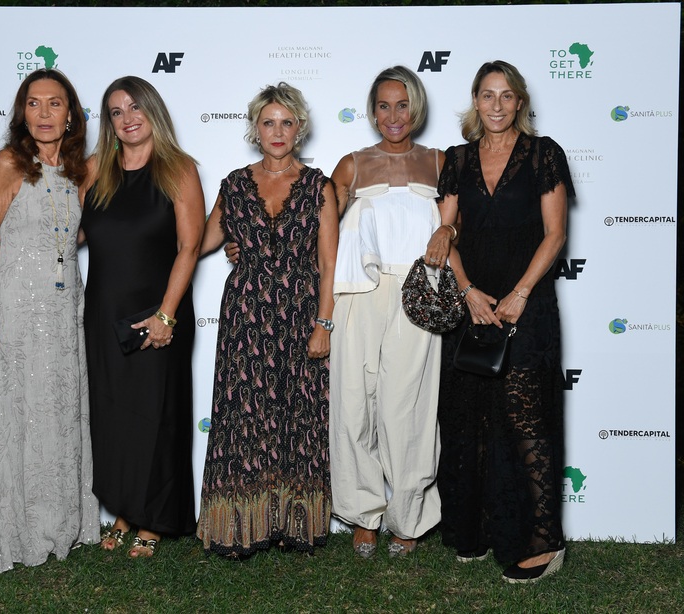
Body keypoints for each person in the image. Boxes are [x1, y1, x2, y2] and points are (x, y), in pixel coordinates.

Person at [435, 60, 573, 583]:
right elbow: (446, 232)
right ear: (475, 100)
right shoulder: (457, 159)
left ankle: (543, 541)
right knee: (470, 417)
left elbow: (555, 235)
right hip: (473, 302)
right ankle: (479, 530)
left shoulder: (543, 154)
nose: (497, 105)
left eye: (506, 95)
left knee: (524, 417)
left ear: (520, 102)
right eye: (487, 95)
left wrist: (520, 293)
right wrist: (467, 290)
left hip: (526, 303)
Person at [0, 69, 99, 572]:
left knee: (62, 409)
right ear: (23, 113)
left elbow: (77, 231)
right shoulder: (8, 163)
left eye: (54, 103)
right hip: (18, 304)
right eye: (34, 104)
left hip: (66, 305)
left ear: (71, 114)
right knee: (24, 410)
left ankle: (64, 521)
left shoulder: (82, 170)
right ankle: (20, 525)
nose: (43, 114)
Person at [196, 82, 338, 557]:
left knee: (299, 415)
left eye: (287, 122)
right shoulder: (235, 185)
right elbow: (198, 243)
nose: (277, 131)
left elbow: (329, 264)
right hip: (246, 315)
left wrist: (323, 324)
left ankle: (294, 522)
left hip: (300, 313)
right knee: (244, 417)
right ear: (255, 129)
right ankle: (242, 524)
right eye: (268, 122)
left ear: (300, 129)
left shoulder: (319, 187)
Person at [329, 66, 455, 558]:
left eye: (402, 105)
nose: (393, 116)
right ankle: (363, 515)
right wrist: (248, 243)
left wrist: (449, 230)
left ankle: (409, 516)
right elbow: (317, 233)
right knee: (353, 402)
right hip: (359, 291)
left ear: (416, 108)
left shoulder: (441, 162)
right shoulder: (352, 165)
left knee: (409, 407)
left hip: (419, 290)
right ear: (372, 111)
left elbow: (461, 222)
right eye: (384, 105)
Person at [80, 76, 205, 558]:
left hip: (158, 311)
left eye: (135, 107)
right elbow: (72, 232)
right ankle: (123, 512)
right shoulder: (96, 169)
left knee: (157, 415)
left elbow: (189, 246)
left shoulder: (178, 168)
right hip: (103, 311)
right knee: (113, 416)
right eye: (116, 111)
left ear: (153, 111)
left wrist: (166, 316)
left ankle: (153, 519)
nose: (127, 118)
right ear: (109, 122)